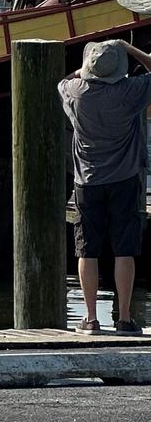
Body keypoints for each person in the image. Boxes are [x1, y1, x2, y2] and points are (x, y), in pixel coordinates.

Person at [59, 38, 151, 335]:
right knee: (125, 249)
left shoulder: (75, 92)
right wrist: (129, 48)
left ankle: (90, 318)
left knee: (88, 249)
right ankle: (124, 318)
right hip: (125, 179)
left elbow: (66, 80)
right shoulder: (130, 91)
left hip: (87, 180)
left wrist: (84, 71)